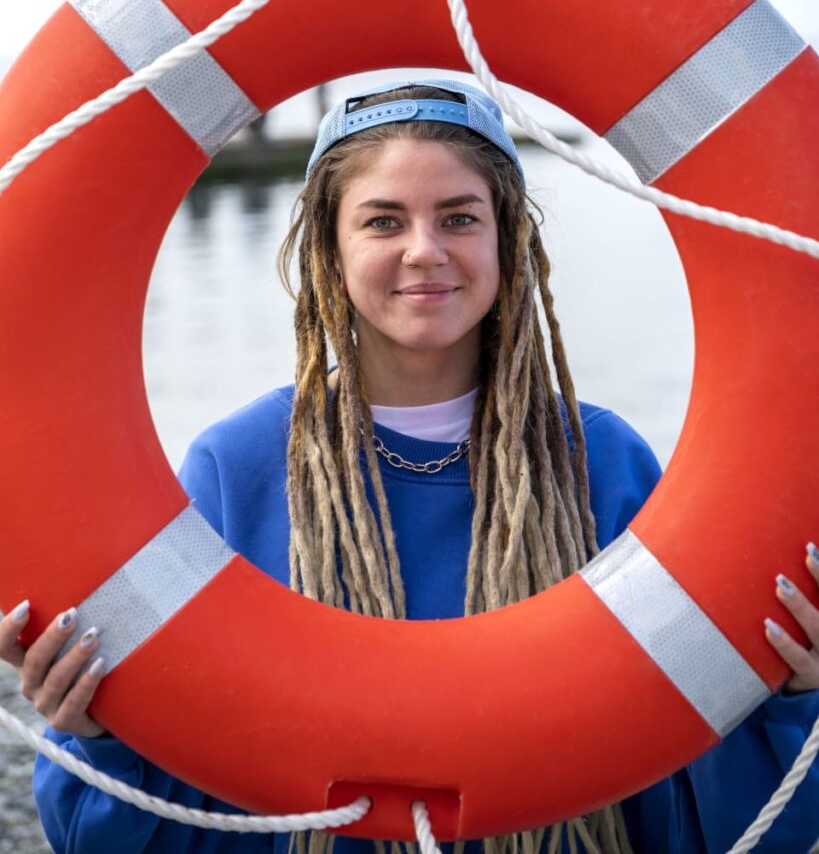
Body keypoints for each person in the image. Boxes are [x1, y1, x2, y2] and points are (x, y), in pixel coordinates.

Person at [1, 80, 817, 853]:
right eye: (382, 221)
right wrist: (99, 732)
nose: (424, 251)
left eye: (459, 218)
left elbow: (713, 822)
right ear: (329, 248)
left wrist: (791, 699)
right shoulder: (236, 470)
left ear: (509, 241)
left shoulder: (602, 466)